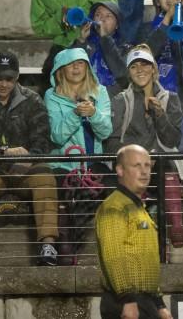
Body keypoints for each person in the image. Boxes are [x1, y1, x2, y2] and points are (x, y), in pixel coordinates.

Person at [105, 47, 183, 251]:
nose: (140, 70)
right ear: (129, 72)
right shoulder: (120, 100)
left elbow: (173, 138)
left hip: (162, 163)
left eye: (145, 64)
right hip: (132, 164)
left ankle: (176, 225)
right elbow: (111, 141)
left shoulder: (170, 99)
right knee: (137, 172)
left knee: (166, 168)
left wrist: (160, 114)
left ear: (154, 69)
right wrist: (138, 157)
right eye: (134, 66)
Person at [44, 47, 113, 263]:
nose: (76, 67)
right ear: (60, 70)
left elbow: (106, 131)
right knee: (65, 191)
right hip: (63, 164)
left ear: (87, 67)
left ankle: (81, 246)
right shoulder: (51, 96)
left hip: (93, 164)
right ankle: (67, 248)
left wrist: (93, 114)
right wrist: (75, 114)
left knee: (111, 187)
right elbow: (56, 136)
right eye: (70, 64)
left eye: (81, 63)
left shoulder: (100, 92)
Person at [95, 145, 172, 319]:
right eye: (136, 166)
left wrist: (159, 303)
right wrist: (127, 300)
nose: (144, 171)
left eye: (147, 166)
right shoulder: (114, 206)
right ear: (120, 170)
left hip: (143, 301)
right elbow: (113, 255)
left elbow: (147, 261)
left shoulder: (138, 208)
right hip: (125, 302)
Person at [0, 51, 59, 266]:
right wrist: (4, 153)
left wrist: (28, 159)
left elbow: (42, 144)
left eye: (8, 78)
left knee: (45, 176)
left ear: (17, 78)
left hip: (27, 169)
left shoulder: (33, 101)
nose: (3, 83)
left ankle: (48, 245)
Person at [139, 0, 183, 152]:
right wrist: (167, 19)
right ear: (157, 1)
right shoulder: (146, 28)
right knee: (180, 146)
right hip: (165, 102)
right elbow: (145, 55)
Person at [77, 1, 130, 98]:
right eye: (98, 15)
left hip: (113, 101)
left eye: (108, 16)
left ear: (117, 25)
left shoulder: (125, 48)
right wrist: (81, 41)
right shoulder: (85, 43)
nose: (102, 19)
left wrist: (105, 38)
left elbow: (122, 75)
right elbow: (70, 70)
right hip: (83, 99)